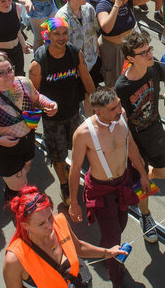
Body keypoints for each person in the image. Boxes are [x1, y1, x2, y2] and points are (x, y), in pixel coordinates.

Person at [68, 87, 151, 287]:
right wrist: (73, 203)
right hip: (101, 190)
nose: (120, 109)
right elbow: (75, 168)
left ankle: (106, 249)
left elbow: (131, 146)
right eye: (114, 107)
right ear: (99, 112)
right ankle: (117, 278)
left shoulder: (121, 116)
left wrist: (142, 175)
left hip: (123, 183)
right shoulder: (84, 133)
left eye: (119, 104)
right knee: (114, 237)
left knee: (121, 224)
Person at [114, 31, 165, 243]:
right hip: (135, 141)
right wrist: (135, 159)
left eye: (149, 49)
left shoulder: (153, 68)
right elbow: (121, 124)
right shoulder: (122, 87)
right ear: (130, 58)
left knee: (161, 173)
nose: (149, 54)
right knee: (142, 182)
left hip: (156, 132)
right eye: (143, 53)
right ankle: (146, 216)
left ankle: (135, 184)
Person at [0, 52, 57, 200]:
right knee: (20, 188)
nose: (8, 75)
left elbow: (37, 97)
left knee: (25, 169)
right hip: (4, 149)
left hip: (27, 141)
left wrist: (50, 104)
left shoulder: (23, 82)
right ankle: (17, 209)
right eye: (1, 73)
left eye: (10, 70)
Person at [3, 186, 127, 288]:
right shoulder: (15, 260)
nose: (50, 225)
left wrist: (108, 252)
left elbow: (79, 247)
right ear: (25, 226)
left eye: (50, 216)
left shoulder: (60, 221)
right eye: (41, 224)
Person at [29, 17, 95, 205]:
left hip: (74, 112)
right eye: (56, 33)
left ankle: (85, 177)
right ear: (48, 36)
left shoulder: (75, 53)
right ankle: (64, 184)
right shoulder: (38, 63)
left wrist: (97, 102)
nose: (62, 37)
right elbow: (33, 97)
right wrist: (44, 108)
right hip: (52, 120)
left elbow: (85, 77)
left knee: (81, 149)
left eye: (65, 33)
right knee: (58, 156)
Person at [96, 0, 152, 88]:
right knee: (113, 81)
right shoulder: (103, 5)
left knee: (133, 76)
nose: (124, 2)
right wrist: (116, 5)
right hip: (112, 49)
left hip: (129, 47)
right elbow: (106, 28)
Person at [55, 0, 101, 104]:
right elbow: (59, 46)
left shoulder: (89, 9)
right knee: (79, 95)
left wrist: (97, 47)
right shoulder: (61, 17)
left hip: (92, 59)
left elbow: (95, 30)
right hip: (76, 66)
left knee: (92, 94)